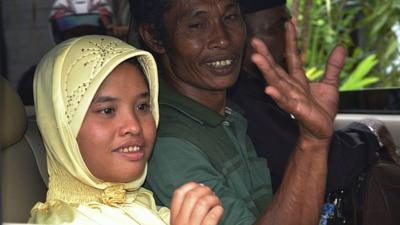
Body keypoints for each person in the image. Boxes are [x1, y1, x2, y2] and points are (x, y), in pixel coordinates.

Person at [130, 0, 346, 224]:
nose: (223, 39)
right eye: (197, 25)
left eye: (230, 17)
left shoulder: (231, 112)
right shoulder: (169, 144)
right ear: (154, 37)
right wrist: (312, 142)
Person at [28, 35, 223, 224]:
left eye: (142, 107)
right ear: (62, 129)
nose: (134, 126)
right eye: (107, 110)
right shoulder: (62, 221)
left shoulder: (142, 206)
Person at [229, 0, 384, 193]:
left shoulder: (260, 93)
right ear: (239, 38)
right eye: (279, 26)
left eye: (289, 24)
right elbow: (333, 168)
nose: (291, 35)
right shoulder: (243, 103)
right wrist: (372, 132)